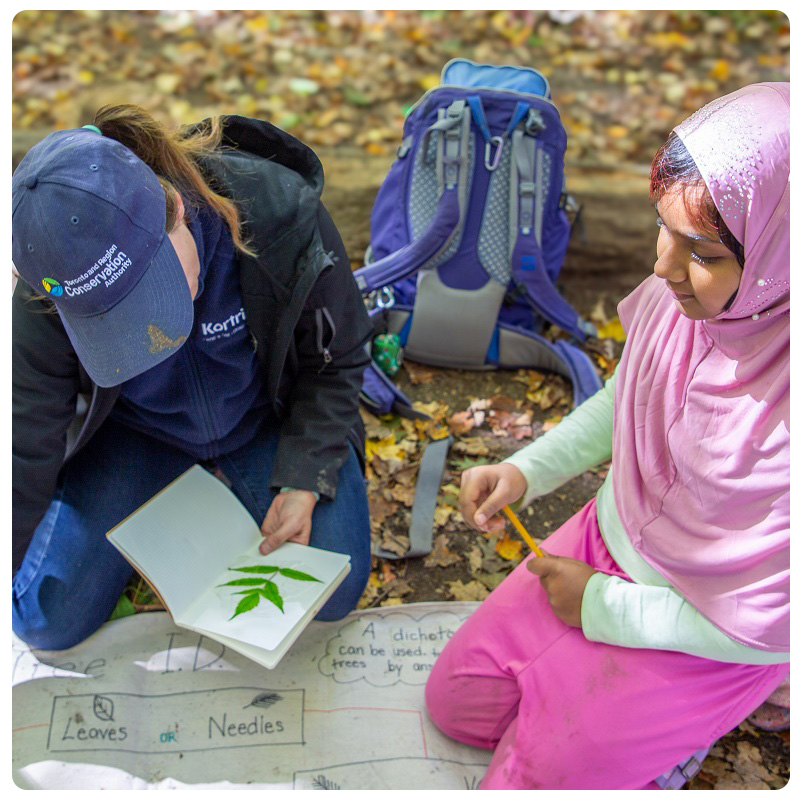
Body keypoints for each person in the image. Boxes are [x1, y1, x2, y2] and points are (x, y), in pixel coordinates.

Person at [424, 83, 789, 790]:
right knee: (458, 701)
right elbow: (635, 393)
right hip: (609, 544)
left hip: (714, 625)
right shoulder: (683, 302)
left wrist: (603, 607)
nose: (663, 269)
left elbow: (775, 618)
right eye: (665, 230)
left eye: (704, 252)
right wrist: (528, 470)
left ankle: (726, 715)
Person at [12, 106, 374, 650]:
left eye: (156, 289)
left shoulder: (275, 212)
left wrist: (306, 474)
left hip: (262, 422)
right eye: (112, 320)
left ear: (178, 207)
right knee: (43, 620)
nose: (152, 328)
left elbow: (337, 359)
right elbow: (22, 442)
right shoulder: (49, 286)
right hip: (137, 440)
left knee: (333, 593)